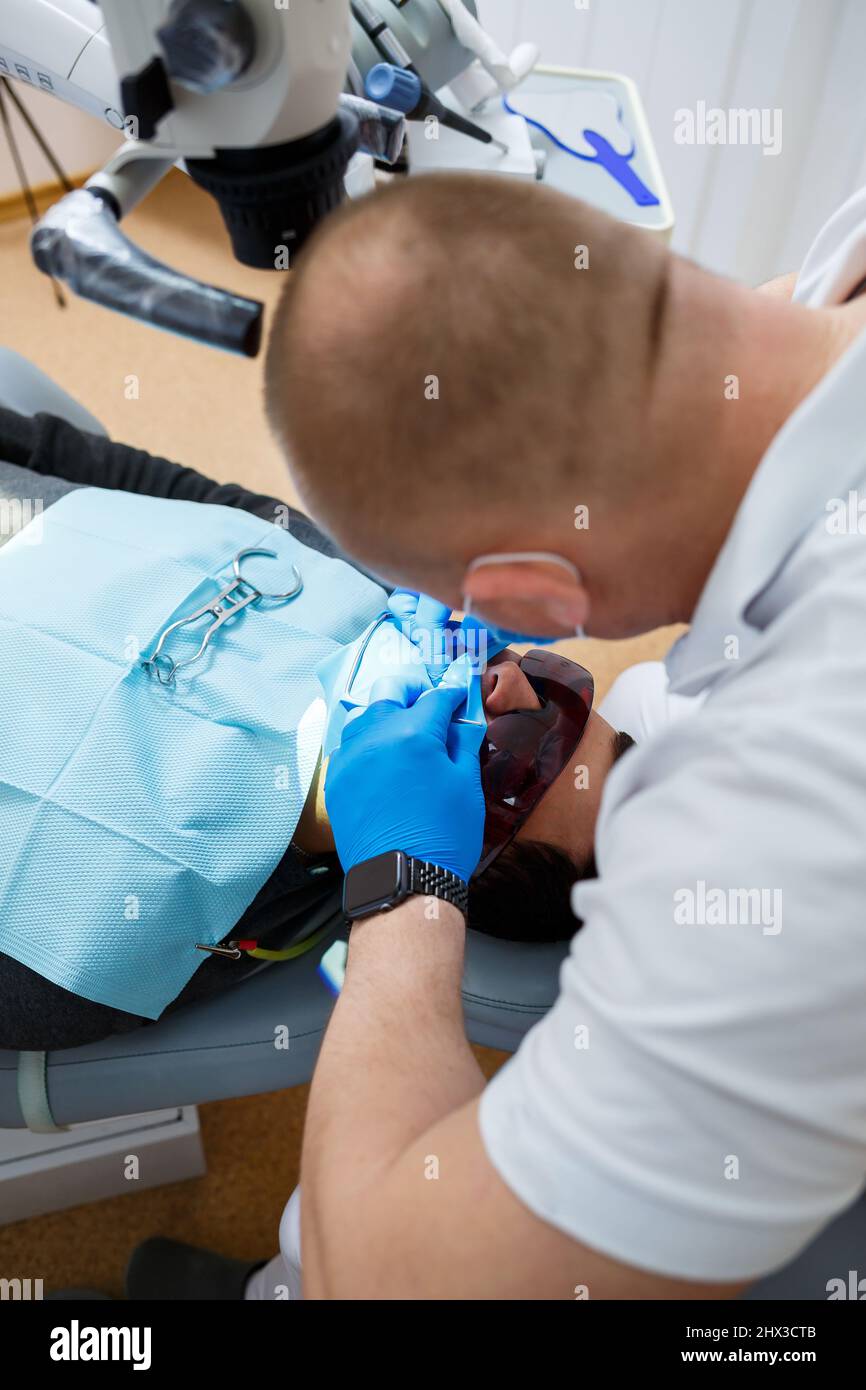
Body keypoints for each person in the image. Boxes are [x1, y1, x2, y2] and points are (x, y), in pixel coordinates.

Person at [238, 174, 866, 1298]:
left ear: (527, 593)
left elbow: (378, 1276)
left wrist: (402, 889)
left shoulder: (785, 802)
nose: (497, 680)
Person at [0, 407, 634, 1049]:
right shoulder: (377, 589)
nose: (513, 683)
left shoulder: (104, 947)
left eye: (513, 763)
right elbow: (176, 494)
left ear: (428, 851)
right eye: (557, 704)